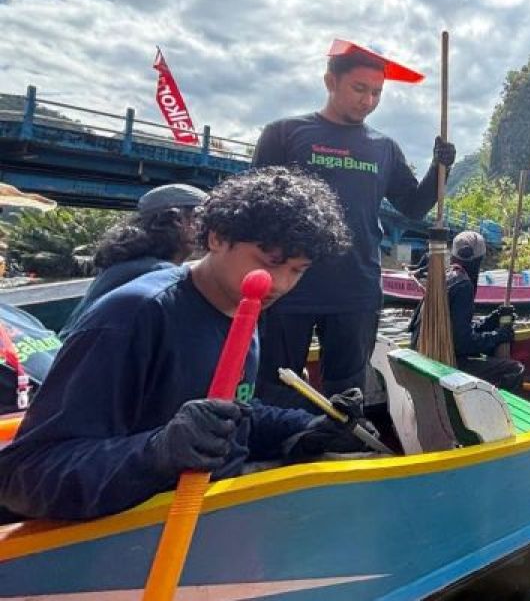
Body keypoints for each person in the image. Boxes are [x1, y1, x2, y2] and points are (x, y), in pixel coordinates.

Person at [0, 168, 371, 521]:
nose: (279, 283)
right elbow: (26, 474)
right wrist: (158, 451)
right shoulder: (134, 316)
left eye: (297, 270)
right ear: (216, 237)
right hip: (135, 539)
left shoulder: (243, 308)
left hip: (214, 517)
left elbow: (230, 411)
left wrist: (306, 427)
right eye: (269, 262)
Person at [252, 39, 456, 408]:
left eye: (377, 93)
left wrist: (439, 167)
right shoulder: (284, 134)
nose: (368, 101)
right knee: (275, 387)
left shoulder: (384, 147)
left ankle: (337, 454)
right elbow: (255, 209)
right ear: (330, 82)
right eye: (359, 89)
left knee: (346, 393)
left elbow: (412, 207)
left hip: (356, 287)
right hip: (287, 287)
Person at [61, 183, 209, 334]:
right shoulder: (159, 275)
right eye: (201, 220)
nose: (208, 231)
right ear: (177, 221)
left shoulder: (127, 266)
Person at [410, 232, 524, 392]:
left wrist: (491, 321)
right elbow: (463, 343)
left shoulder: (443, 278)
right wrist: (499, 335)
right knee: (514, 369)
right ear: (478, 261)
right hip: (442, 364)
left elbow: (455, 331)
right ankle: (496, 415)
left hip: (424, 357)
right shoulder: (464, 286)